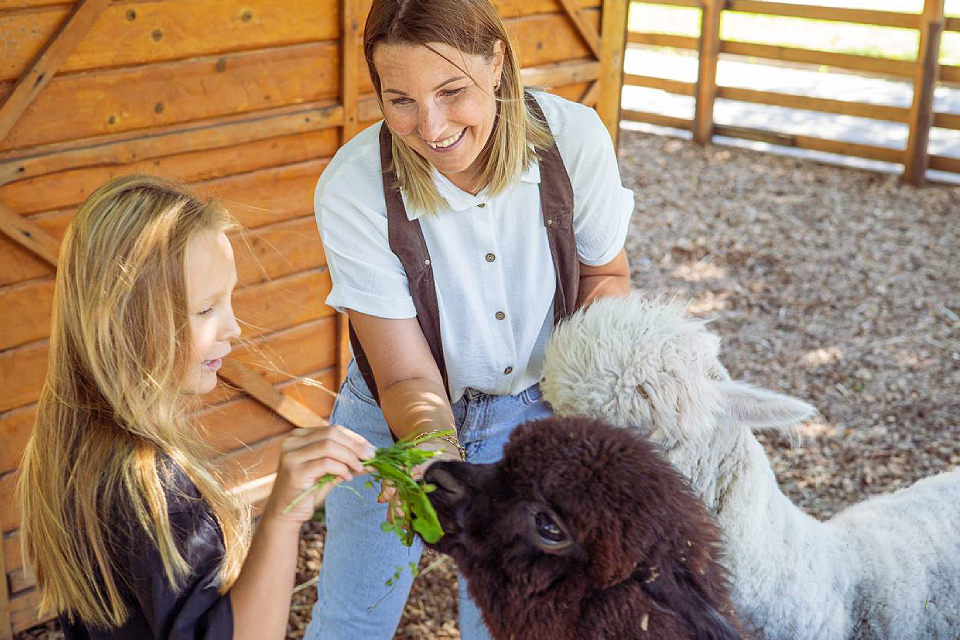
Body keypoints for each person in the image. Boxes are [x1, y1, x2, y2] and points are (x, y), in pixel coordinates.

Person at [304, 0, 635, 638]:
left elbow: (604, 278)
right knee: (354, 618)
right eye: (399, 99)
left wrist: (591, 398)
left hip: (537, 413)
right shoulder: (353, 188)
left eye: (452, 91)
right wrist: (433, 457)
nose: (430, 127)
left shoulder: (574, 140)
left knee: (507, 620)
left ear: (498, 63)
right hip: (392, 421)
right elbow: (403, 377)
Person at [17, 175, 376, 640]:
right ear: (128, 320)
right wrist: (284, 515)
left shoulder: (75, 446)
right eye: (206, 309)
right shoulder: (152, 488)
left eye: (229, 299)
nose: (233, 327)